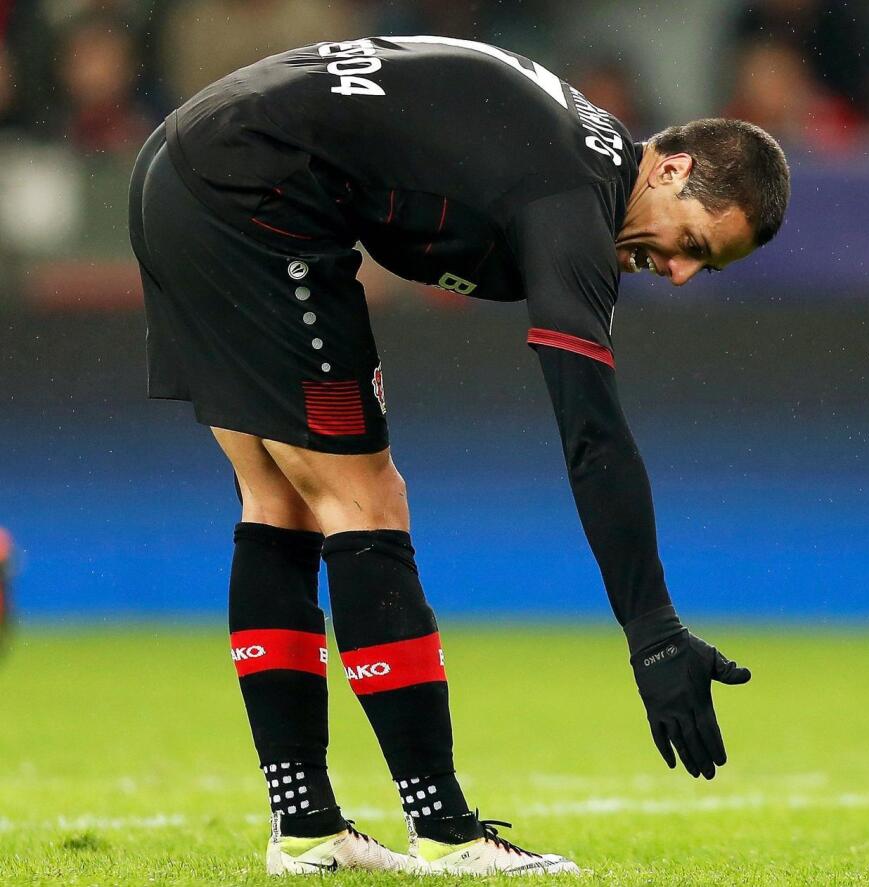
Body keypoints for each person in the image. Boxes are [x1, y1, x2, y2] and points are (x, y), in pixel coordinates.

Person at [127, 35, 789, 876]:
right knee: (367, 498)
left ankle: (307, 826)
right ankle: (443, 828)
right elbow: (591, 431)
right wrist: (653, 631)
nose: (683, 273)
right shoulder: (572, 196)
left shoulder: (580, 159)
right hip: (250, 190)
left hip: (180, 167)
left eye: (708, 266)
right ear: (669, 168)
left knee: (280, 499)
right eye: (694, 242)